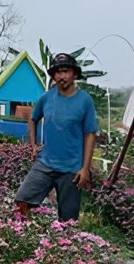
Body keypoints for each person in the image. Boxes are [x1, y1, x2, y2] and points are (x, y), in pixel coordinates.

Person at [14, 52, 99, 222]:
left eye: (66, 71)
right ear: (53, 75)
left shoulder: (85, 101)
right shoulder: (46, 98)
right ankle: (27, 238)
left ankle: (61, 246)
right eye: (58, 72)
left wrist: (85, 169)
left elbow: (90, 134)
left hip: (72, 169)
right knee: (21, 201)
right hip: (46, 164)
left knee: (68, 220)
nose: (62, 76)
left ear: (74, 74)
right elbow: (33, 118)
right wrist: (33, 145)